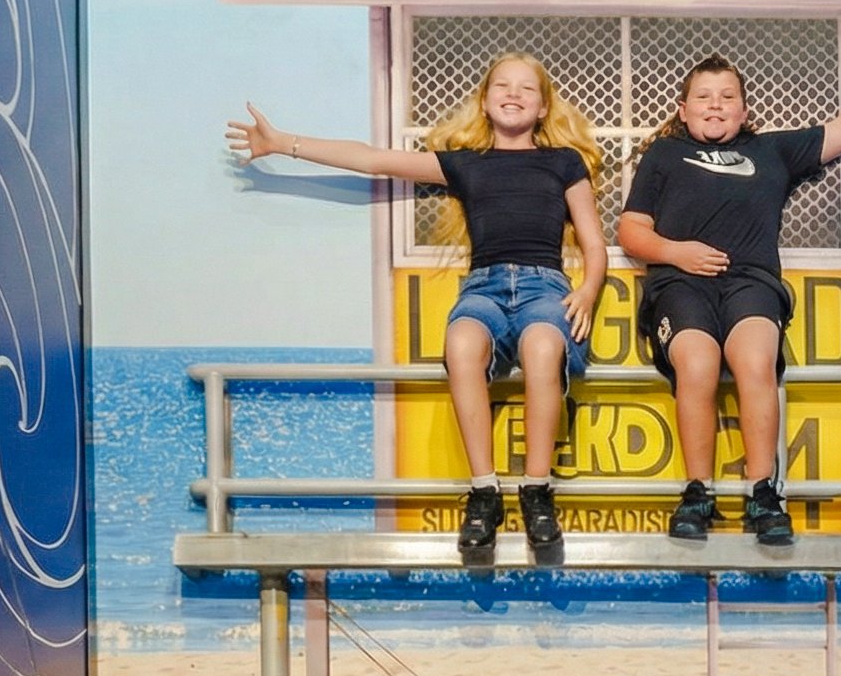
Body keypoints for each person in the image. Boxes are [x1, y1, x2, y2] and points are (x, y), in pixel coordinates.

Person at [227, 53, 607, 553]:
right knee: (461, 341)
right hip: (485, 288)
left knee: (541, 347)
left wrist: (586, 289)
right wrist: (283, 144)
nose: (513, 94)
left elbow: (594, 243)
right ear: (486, 100)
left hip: (544, 288)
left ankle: (536, 490)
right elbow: (374, 159)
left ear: (542, 108)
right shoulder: (466, 164)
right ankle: (484, 490)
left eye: (526, 89)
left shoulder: (562, 163)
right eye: (502, 86)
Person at [617, 54, 841, 543]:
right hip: (681, 283)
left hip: (751, 283)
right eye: (703, 97)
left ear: (743, 111)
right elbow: (632, 230)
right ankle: (697, 495)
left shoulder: (771, 151)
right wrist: (677, 253)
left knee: (755, 361)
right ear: (683, 109)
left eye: (727, 97)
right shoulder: (663, 156)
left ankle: (763, 494)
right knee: (697, 365)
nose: (715, 106)